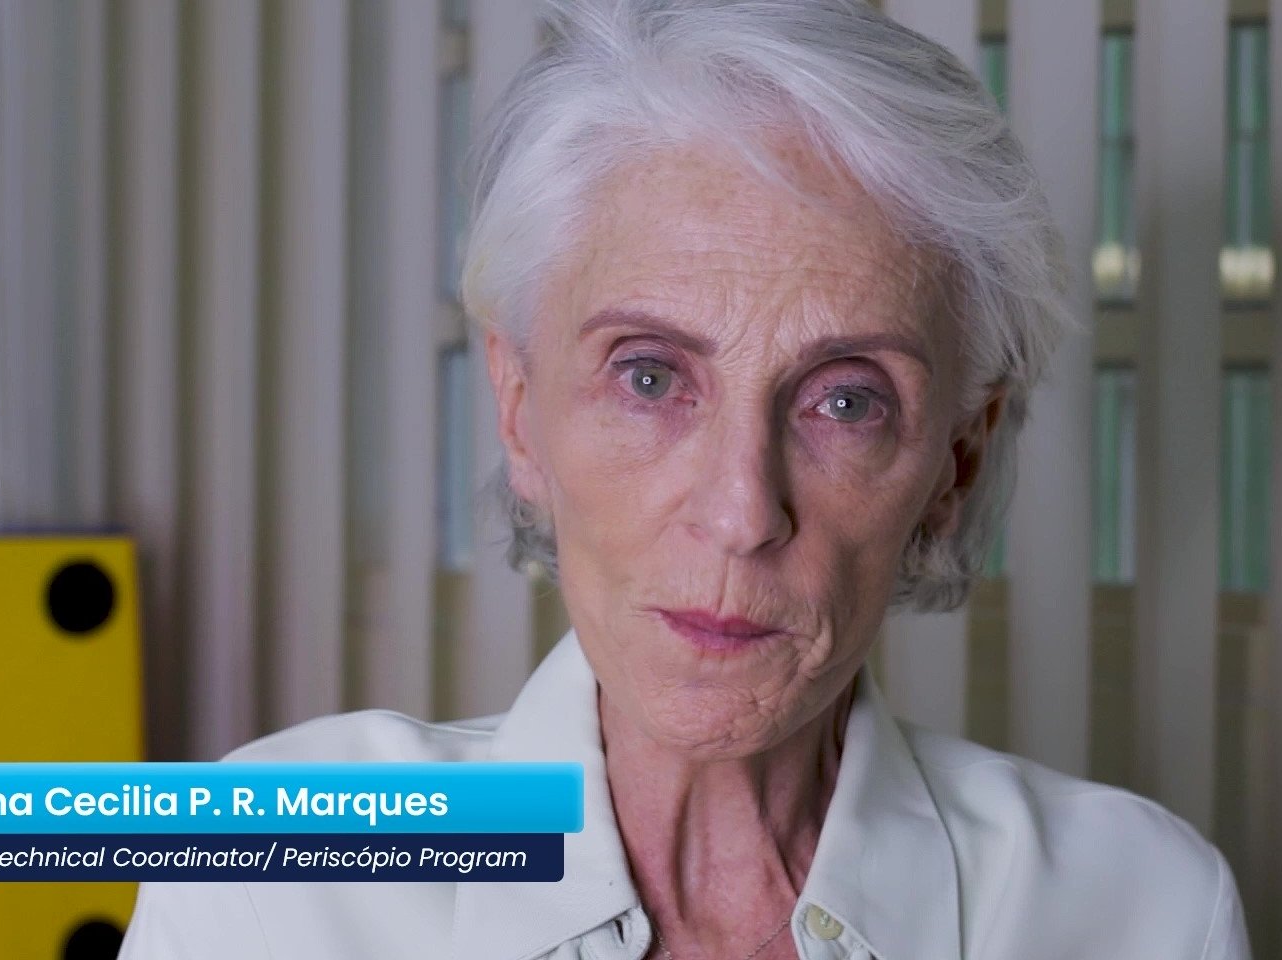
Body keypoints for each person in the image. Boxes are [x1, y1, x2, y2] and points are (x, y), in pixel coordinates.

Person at [119, 1, 1251, 957]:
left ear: (955, 464)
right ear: (519, 413)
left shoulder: (1141, 909)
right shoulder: (278, 882)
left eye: (845, 401)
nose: (740, 513)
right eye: (650, 377)